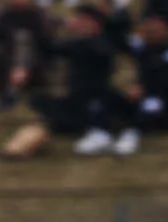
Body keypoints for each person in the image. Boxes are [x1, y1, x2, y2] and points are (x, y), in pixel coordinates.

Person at [11, 5, 126, 158]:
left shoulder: (100, 43)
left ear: (92, 23)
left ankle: (94, 130)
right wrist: (47, 30)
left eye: (80, 20)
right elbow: (50, 48)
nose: (74, 22)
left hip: (95, 100)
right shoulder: (79, 43)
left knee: (75, 118)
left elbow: (95, 51)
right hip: (75, 99)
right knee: (38, 100)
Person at [117, 15, 168, 154]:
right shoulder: (144, 49)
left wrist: (144, 89)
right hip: (144, 95)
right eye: (149, 28)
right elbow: (122, 40)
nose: (151, 31)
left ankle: (132, 133)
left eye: (156, 29)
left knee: (149, 105)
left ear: (167, 30)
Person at [0, 0, 55, 110]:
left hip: (31, 63)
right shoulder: (4, 14)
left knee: (22, 37)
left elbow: (45, 42)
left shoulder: (38, 15)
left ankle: (12, 91)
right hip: (6, 60)